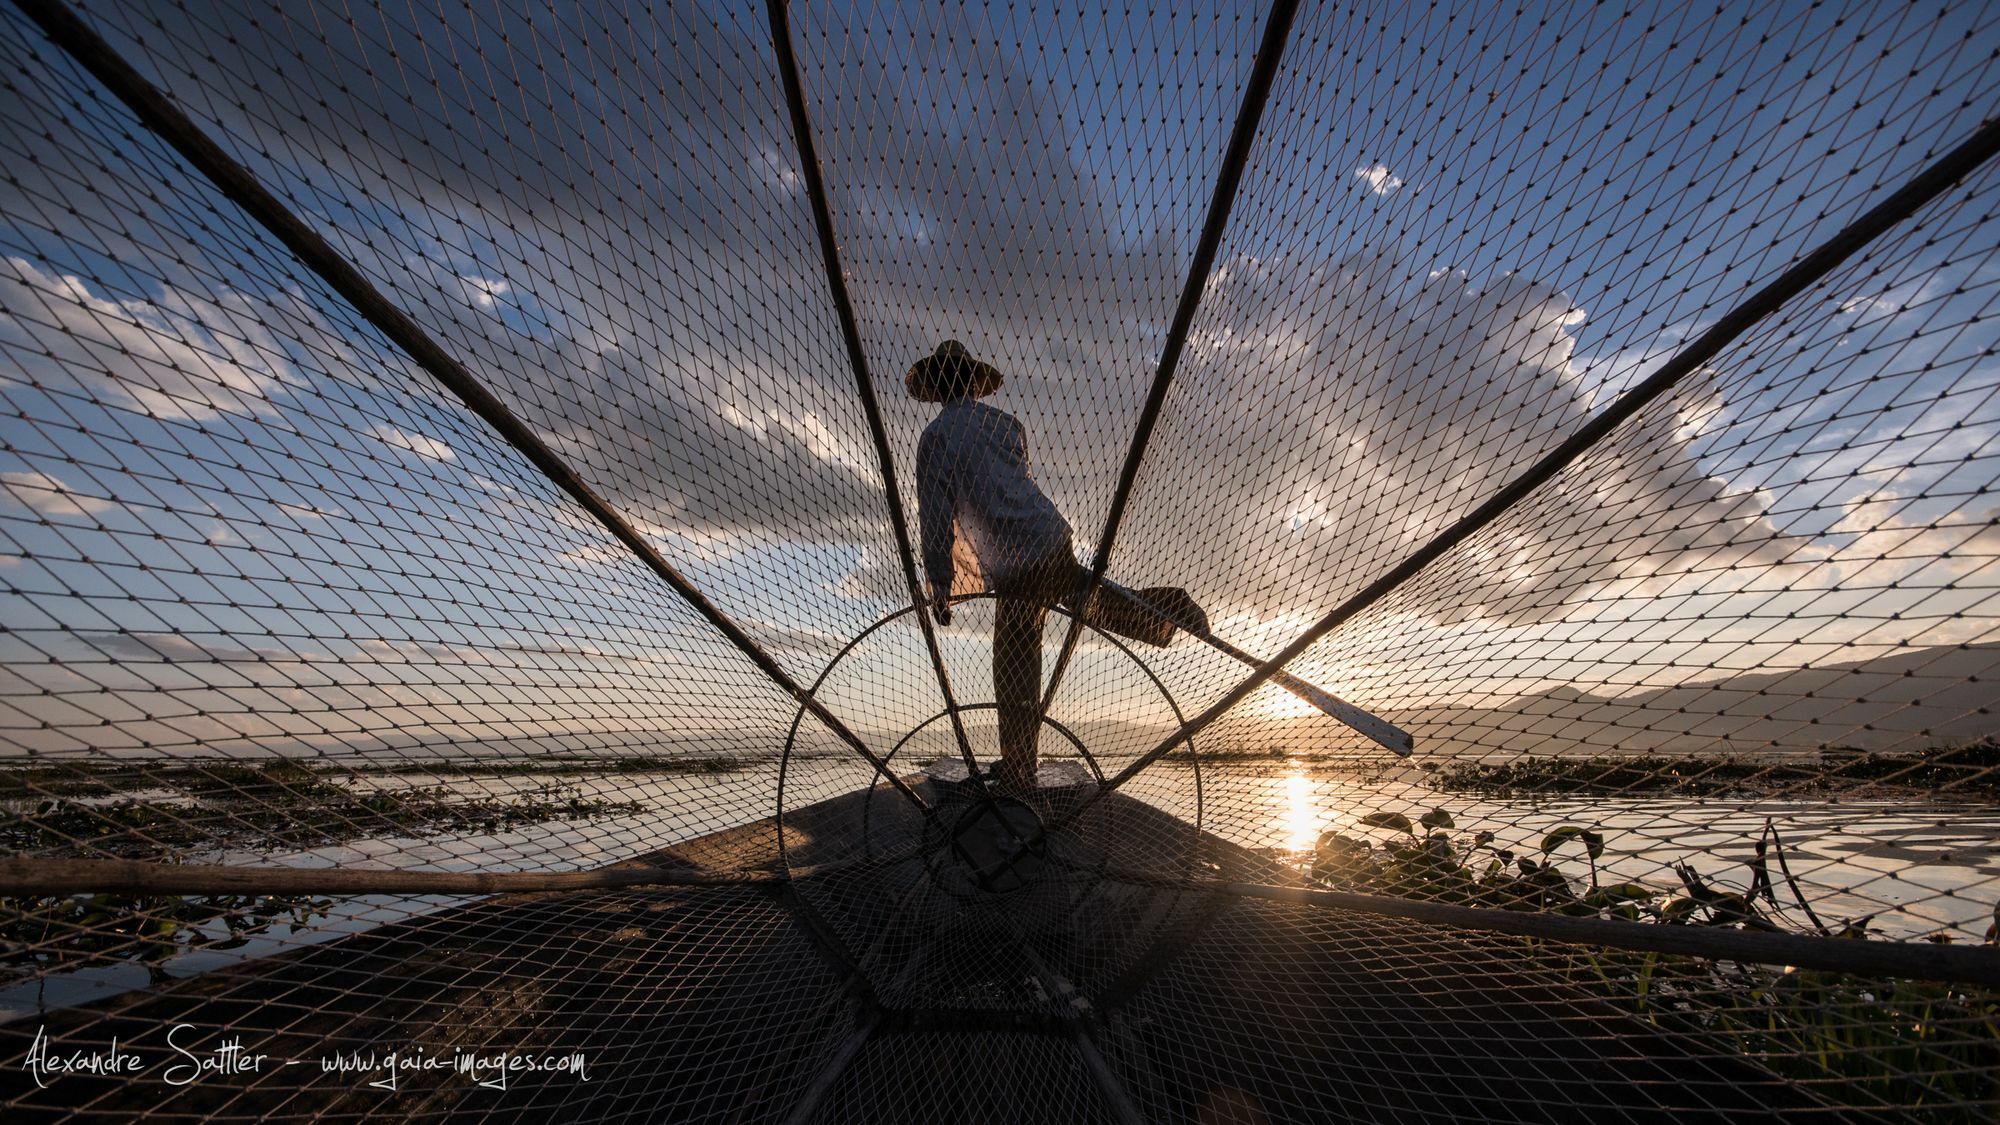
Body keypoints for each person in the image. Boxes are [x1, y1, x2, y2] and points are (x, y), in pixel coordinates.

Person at [909, 340, 1207, 793]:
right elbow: (1015, 484)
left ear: (939, 386)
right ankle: (1169, 607)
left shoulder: (935, 439)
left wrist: (940, 583)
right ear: (971, 382)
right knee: (1090, 606)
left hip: (1017, 561)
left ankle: (1018, 766)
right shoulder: (1007, 425)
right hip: (1048, 536)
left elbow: (935, 516)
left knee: (1013, 665)